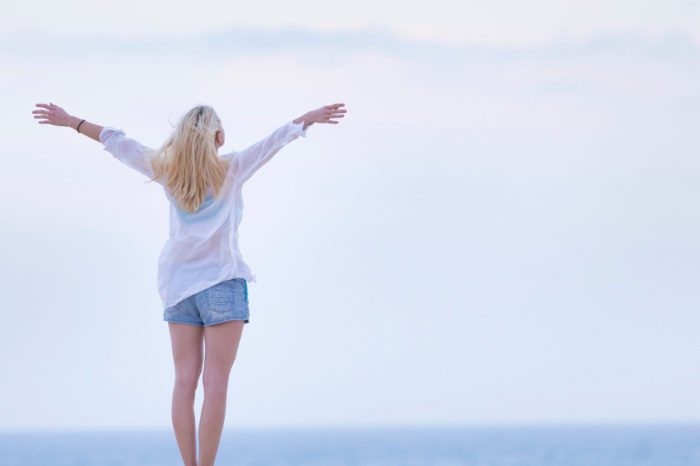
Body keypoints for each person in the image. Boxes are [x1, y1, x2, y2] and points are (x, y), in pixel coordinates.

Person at [32, 101, 347, 466]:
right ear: (219, 137)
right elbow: (276, 140)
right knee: (216, 383)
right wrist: (309, 119)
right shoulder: (233, 168)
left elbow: (116, 141)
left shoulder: (165, 169)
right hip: (222, 284)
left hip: (178, 288)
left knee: (184, 383)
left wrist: (71, 122)